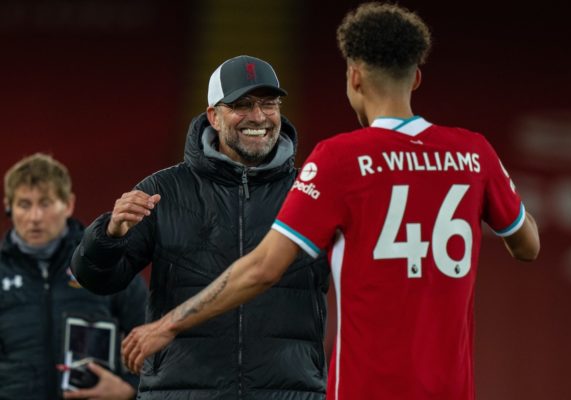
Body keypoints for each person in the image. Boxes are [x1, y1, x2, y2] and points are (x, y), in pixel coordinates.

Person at [119, 3, 541, 400]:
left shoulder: (341, 159)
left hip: (364, 387)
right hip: (451, 387)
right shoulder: (473, 153)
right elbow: (528, 246)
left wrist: (169, 323)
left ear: (354, 76)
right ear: (416, 78)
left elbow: (264, 268)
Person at [70, 55, 330, 399]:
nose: (258, 117)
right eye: (242, 104)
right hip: (182, 391)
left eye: (269, 104)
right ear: (214, 115)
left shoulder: (310, 192)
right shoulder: (163, 191)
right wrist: (109, 235)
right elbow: (96, 280)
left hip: (289, 392)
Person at [0, 153, 147, 400]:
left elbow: (154, 336)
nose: (35, 217)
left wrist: (131, 388)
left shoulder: (101, 261)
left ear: (68, 204)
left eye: (45, 203)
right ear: (8, 207)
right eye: (24, 204)